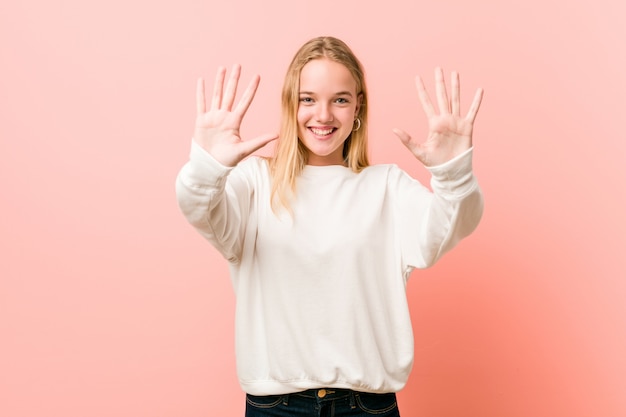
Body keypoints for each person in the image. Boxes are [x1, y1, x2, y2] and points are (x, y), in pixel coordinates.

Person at [176, 36, 484, 417]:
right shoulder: (253, 182)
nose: (323, 115)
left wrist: (453, 175)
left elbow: (453, 224)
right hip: (276, 408)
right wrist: (207, 167)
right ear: (291, 105)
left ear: (358, 108)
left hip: (367, 408)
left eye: (339, 99)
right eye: (308, 99)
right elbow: (199, 209)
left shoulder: (385, 186)